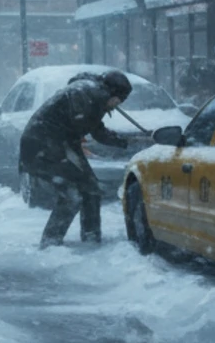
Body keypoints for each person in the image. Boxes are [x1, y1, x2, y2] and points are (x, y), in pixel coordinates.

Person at [17, 70, 132, 247]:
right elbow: (89, 126)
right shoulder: (90, 94)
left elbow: (93, 127)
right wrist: (120, 141)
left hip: (51, 145)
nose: (117, 105)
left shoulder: (90, 93)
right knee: (72, 195)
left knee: (90, 189)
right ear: (113, 93)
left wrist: (121, 141)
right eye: (119, 100)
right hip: (45, 147)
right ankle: (50, 243)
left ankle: (91, 239)